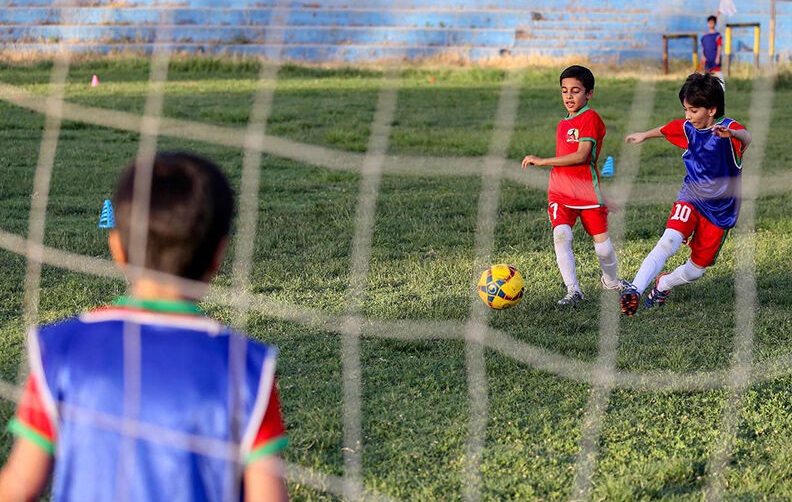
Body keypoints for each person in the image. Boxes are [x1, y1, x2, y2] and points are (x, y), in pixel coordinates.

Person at [0, 152, 289, 501]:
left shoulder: (60, 349)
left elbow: (18, 485)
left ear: (117, 248)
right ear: (219, 256)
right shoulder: (247, 368)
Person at [619, 72, 751, 316]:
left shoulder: (729, 130)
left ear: (711, 110)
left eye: (693, 110)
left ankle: (663, 284)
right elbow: (666, 128)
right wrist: (644, 135)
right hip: (691, 196)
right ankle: (634, 290)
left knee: (696, 270)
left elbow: (748, 137)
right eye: (685, 110)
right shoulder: (688, 127)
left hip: (721, 212)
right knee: (668, 240)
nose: (687, 116)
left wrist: (732, 134)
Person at [522, 64, 629, 306]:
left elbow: (582, 156)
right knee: (561, 235)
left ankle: (610, 281)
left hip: (587, 194)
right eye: (564, 91)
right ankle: (573, 291)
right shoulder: (563, 123)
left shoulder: (590, 119)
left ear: (589, 93)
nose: (569, 96)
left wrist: (543, 160)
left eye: (576, 91)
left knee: (603, 249)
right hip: (560, 192)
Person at [701, 15, 725, 89]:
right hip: (707, 58)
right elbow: (703, 47)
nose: (711, 24)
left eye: (712, 23)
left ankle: (722, 88)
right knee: (707, 75)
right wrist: (703, 57)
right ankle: (709, 90)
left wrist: (718, 57)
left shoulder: (717, 36)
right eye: (709, 23)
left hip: (714, 57)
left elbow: (719, 47)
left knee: (718, 73)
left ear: (715, 23)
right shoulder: (705, 36)